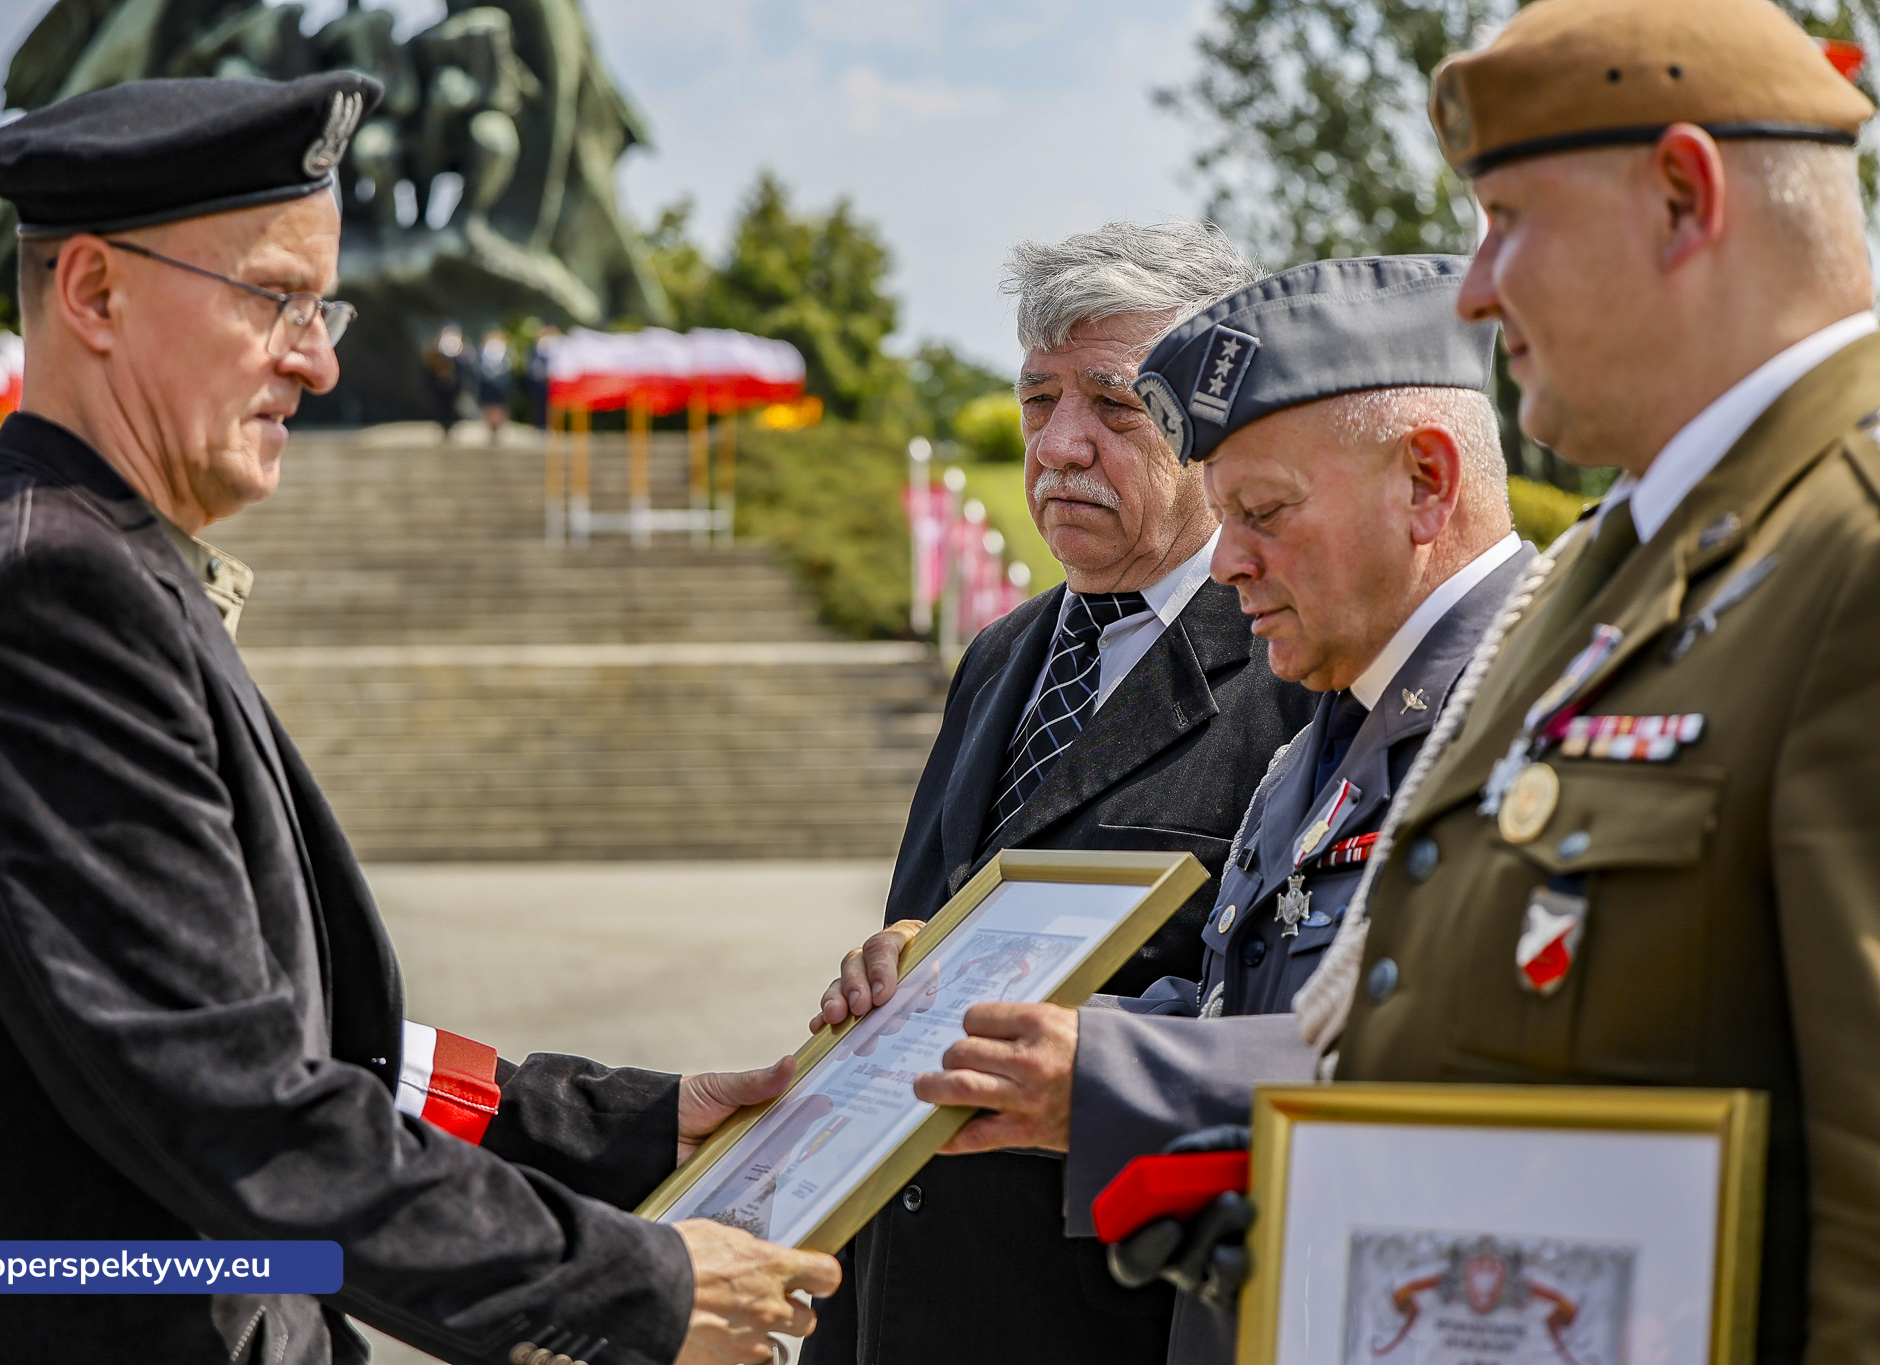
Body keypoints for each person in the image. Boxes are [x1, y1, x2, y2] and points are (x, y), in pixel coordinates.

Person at [0, 73, 836, 1365]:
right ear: (93, 292)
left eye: (325, 305)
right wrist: (630, 1288)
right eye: (274, 299)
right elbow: (235, 1104)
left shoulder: (98, 567)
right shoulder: (43, 599)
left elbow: (303, 1039)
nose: (319, 358)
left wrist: (624, 1127)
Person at [1288, 2, 1880, 1360]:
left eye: (1507, 219)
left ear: (1682, 196)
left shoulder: (1853, 551)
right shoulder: (1618, 558)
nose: (1473, 288)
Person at [823, 256, 1529, 1362]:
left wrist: (1101, 1075)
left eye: (1258, 509)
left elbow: (1501, 1084)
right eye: (1036, 403)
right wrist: (947, 997)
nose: (1230, 557)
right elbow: (1230, 1004)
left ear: (1424, 485)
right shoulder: (1324, 726)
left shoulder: (1514, 709)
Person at [802, 221, 1316, 1365]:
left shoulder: (1297, 667)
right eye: (1037, 401)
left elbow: (1298, 1031)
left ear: (1216, 425)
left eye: (1115, 405)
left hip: (1108, 1319)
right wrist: (891, 965)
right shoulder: (1002, 652)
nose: (1059, 448)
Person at [478, 327, 513, 440]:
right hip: (487, 385)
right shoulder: (483, 353)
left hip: (501, 385)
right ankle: (490, 428)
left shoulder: (505, 353)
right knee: (489, 406)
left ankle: (498, 427)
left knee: (499, 407)